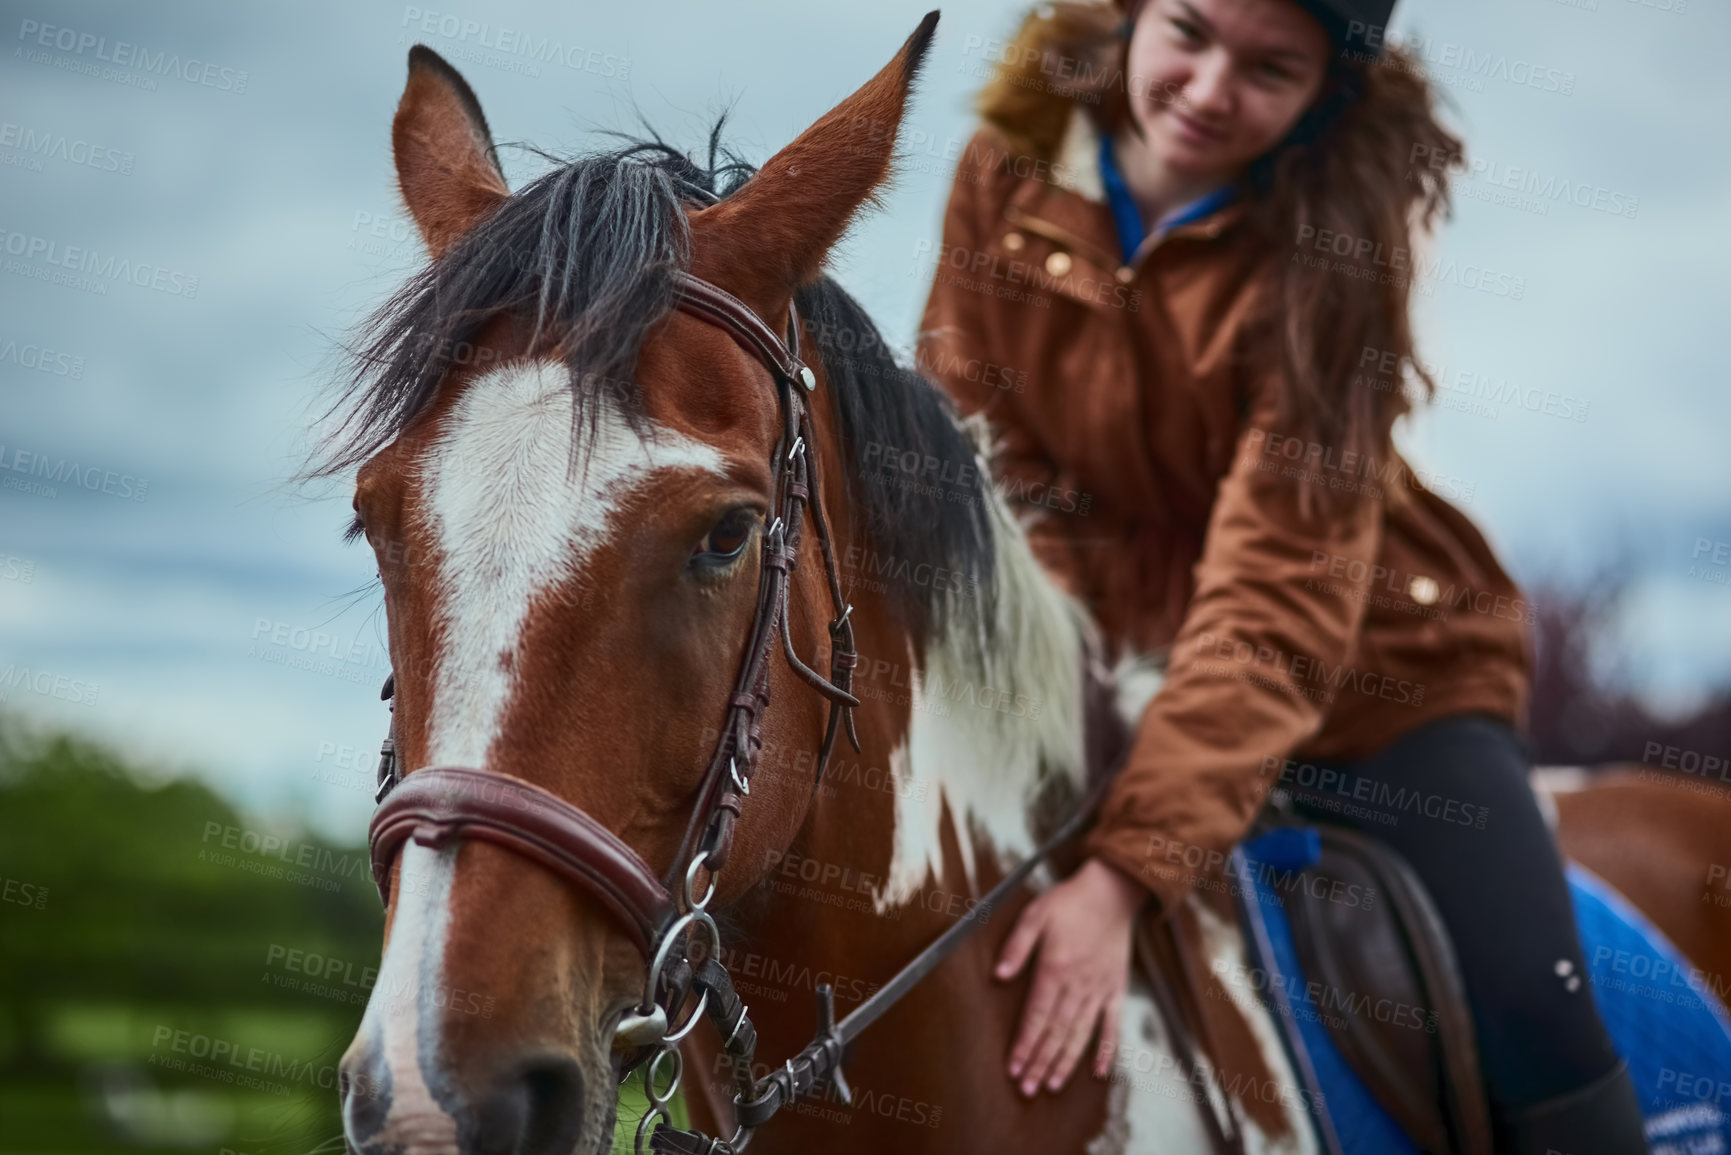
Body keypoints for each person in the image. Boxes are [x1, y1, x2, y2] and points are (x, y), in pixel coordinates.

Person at [916, 0, 1649, 1151]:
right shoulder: (1005, 168)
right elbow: (978, 473)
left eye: (1270, 68)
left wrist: (1122, 877)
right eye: (1191, 33)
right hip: (1099, 660)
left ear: (1328, 90)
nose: (1211, 90)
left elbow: (1277, 601)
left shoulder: (1337, 246)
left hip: (1377, 679)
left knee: (1531, 1006)